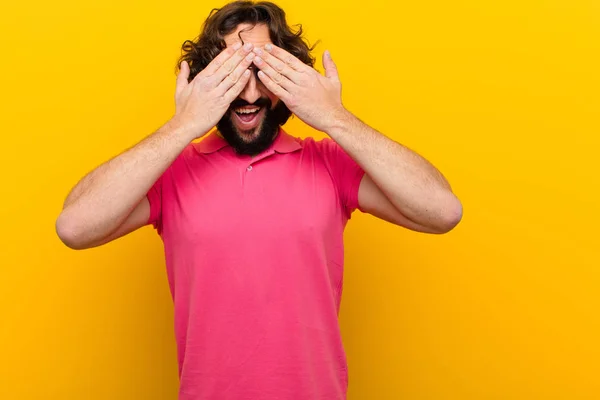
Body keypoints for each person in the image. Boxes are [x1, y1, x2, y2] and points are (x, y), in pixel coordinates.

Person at [55, 1, 463, 399]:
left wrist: (334, 117)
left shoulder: (327, 165)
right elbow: (74, 227)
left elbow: (443, 211)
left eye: (261, 71)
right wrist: (184, 124)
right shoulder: (173, 174)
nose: (249, 93)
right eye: (230, 75)